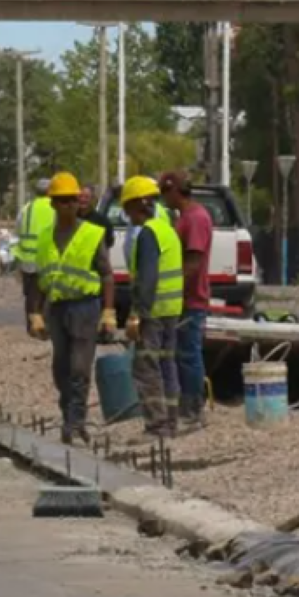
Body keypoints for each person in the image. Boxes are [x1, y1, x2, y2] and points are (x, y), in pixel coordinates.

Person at [28, 172, 114, 446]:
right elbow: (40, 277)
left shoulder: (91, 234)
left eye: (72, 201)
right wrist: (35, 312)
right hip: (57, 309)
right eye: (62, 201)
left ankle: (75, 423)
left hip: (85, 308)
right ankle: (69, 416)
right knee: (60, 368)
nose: (68, 205)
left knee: (79, 367)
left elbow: (107, 274)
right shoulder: (44, 238)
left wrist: (108, 311)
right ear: (52, 204)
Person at [119, 176, 183, 438]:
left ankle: (157, 425)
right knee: (167, 364)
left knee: (146, 368)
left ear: (139, 205)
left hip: (154, 310)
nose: (127, 215)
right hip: (171, 309)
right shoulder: (167, 229)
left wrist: (137, 314)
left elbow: (147, 278)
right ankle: (171, 421)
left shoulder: (148, 234)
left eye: (128, 209)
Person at [159, 171, 213, 427]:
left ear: (174, 190)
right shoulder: (186, 218)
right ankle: (185, 404)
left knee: (189, 354)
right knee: (181, 353)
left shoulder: (196, 219)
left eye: (163, 192)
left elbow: (193, 261)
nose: (161, 199)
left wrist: (172, 287)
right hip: (181, 300)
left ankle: (194, 407)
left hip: (191, 300)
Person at [15, 179, 53, 326]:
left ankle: (33, 326)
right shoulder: (55, 208)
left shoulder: (26, 209)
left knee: (32, 296)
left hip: (28, 260)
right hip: (49, 261)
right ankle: (46, 325)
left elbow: (18, 231)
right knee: (48, 295)